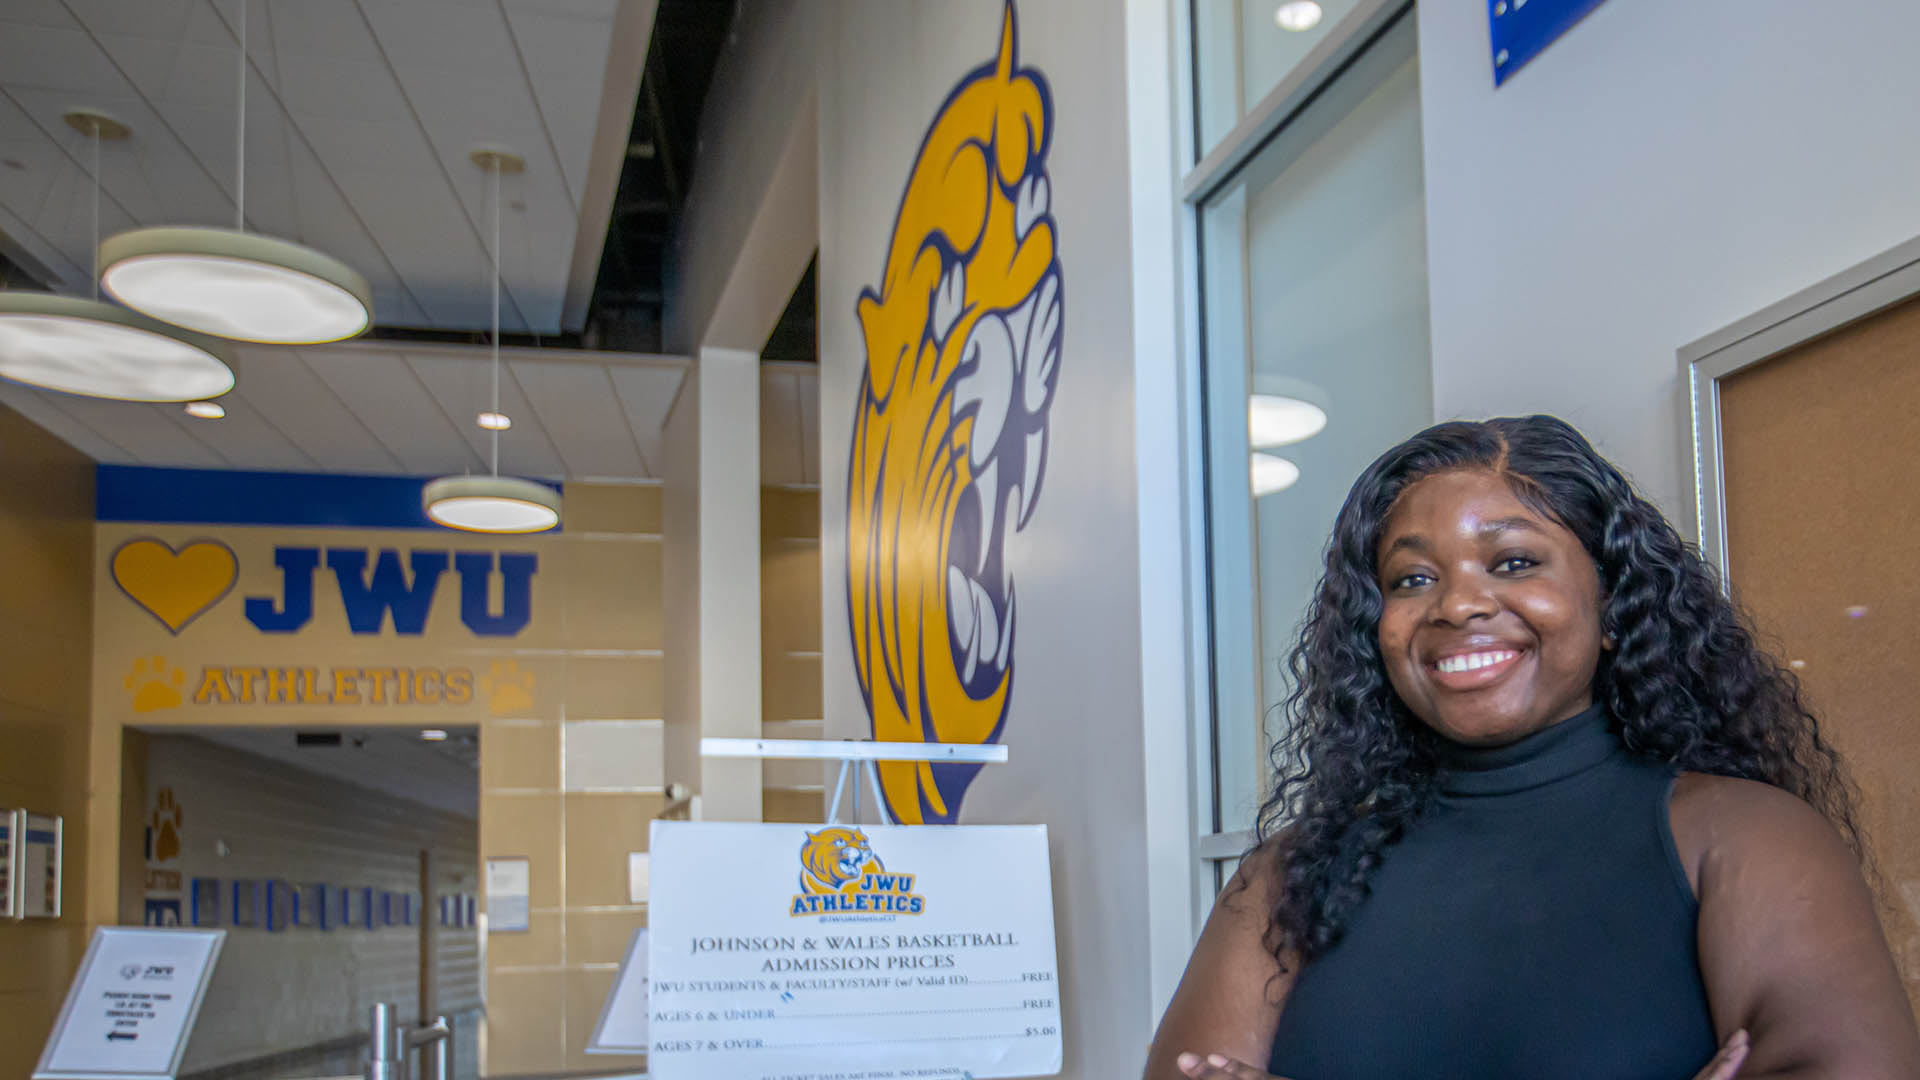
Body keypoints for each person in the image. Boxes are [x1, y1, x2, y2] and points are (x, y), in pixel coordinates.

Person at [1145, 416, 1920, 1080]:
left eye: (1514, 562)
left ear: (1613, 602)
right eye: (1411, 579)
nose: (1458, 604)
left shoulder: (1745, 837)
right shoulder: (1286, 878)